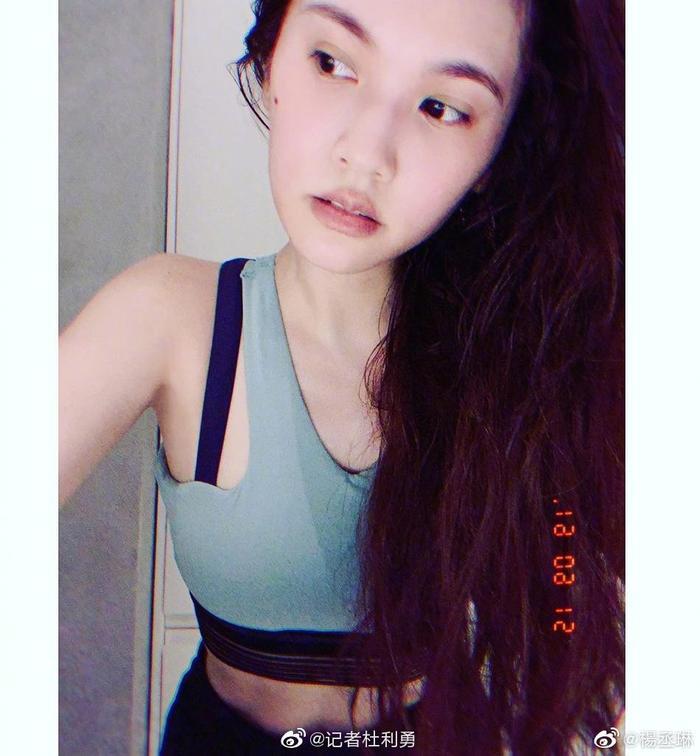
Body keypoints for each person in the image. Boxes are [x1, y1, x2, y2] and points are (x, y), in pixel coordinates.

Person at [59, 0, 625, 753]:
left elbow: (571, 584)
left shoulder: (522, 360)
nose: (366, 153)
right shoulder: (172, 316)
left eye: (442, 107)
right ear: (270, 60)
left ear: (496, 154)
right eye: (333, 63)